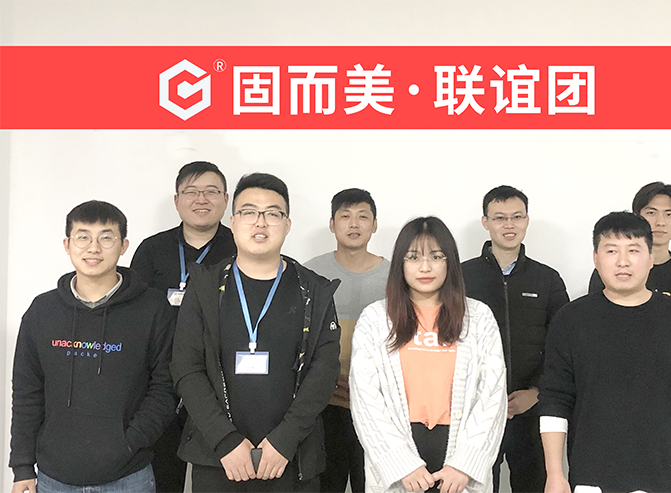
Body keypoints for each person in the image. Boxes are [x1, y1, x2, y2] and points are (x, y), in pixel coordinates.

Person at [170, 172, 341, 493]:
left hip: (291, 457)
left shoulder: (314, 291)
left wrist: (284, 440)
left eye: (272, 214)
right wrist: (225, 440)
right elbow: (186, 367)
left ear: (287, 224)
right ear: (233, 221)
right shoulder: (205, 287)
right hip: (219, 458)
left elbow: (324, 372)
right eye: (249, 212)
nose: (260, 222)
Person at [539, 212, 671, 493]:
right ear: (596, 258)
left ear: (650, 257)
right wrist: (554, 474)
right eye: (611, 251)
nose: (622, 261)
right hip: (593, 478)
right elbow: (554, 399)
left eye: (633, 250)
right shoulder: (571, 320)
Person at [10, 200, 177, 493]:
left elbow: (165, 387)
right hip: (54, 477)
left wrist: (130, 442)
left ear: (124, 245)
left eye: (106, 237)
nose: (93, 248)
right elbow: (27, 392)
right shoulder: (43, 310)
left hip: (129, 477)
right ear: (67, 244)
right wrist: (22, 466)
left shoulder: (153, 308)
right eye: (83, 237)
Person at [350, 216, 507, 493]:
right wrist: (402, 464)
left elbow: (492, 396)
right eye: (413, 257)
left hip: (458, 458)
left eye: (436, 256)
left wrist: (464, 465)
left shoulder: (478, 317)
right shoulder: (375, 319)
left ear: (450, 262)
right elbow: (366, 400)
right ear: (400, 264)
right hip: (399, 459)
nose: (425, 267)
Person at [130, 160, 236, 492]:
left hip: (220, 382)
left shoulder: (240, 248)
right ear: (177, 200)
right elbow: (133, 317)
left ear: (225, 199)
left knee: (220, 476)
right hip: (159, 381)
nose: (201, 199)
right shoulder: (152, 250)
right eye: (191, 191)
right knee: (163, 477)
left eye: (211, 191)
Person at [461, 185, 569, 493]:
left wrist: (536, 392)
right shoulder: (461, 277)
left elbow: (562, 346)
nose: (509, 225)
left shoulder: (547, 279)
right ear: (486, 222)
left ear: (527, 220)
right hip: (475, 411)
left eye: (517, 217)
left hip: (532, 410)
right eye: (499, 218)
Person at [304, 188, 389, 493]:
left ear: (374, 225)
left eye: (362, 217)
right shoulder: (311, 273)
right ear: (332, 224)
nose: (354, 224)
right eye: (345, 216)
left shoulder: (395, 276)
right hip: (324, 404)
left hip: (379, 407)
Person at [589, 182, 671, 327]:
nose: (660, 222)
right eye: (651, 213)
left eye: (669, 214)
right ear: (637, 217)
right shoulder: (614, 271)